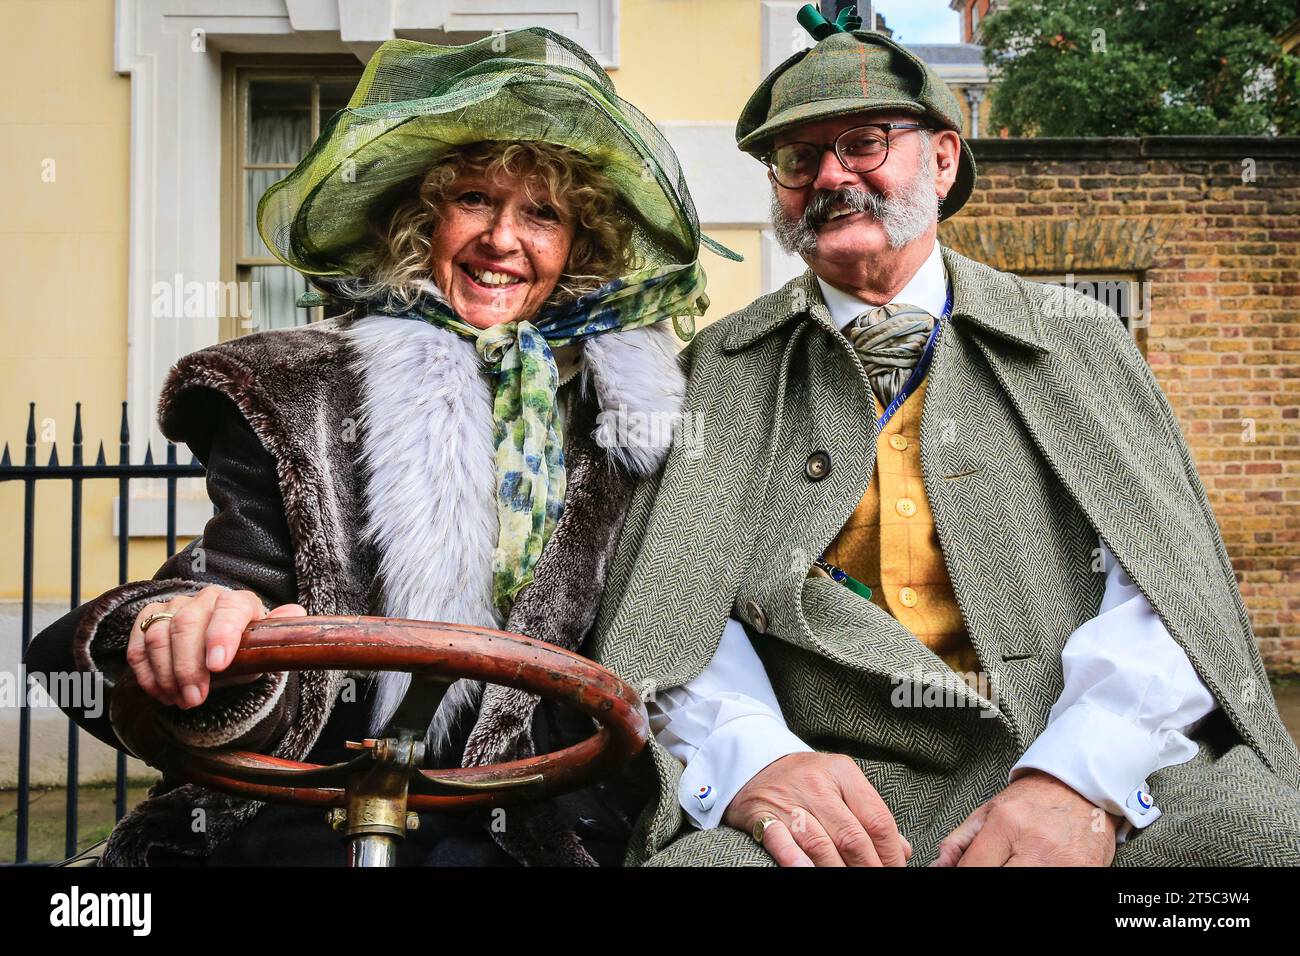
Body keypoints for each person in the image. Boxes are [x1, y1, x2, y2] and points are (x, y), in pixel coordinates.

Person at [588, 9, 1300, 867]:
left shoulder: (1077, 335)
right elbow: (670, 611)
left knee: (1257, 846)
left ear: (944, 156)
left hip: (1091, 751)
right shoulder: (718, 368)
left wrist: (1076, 778)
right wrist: (759, 757)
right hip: (836, 789)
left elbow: (1163, 588)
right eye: (797, 158)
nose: (828, 177)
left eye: (862, 143)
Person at [25, 27, 732, 867]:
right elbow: (228, 588)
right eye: (474, 200)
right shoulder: (297, 391)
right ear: (420, 218)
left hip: (533, 806)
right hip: (314, 791)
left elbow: (676, 643)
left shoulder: (632, 425)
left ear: (576, 249)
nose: (503, 240)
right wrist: (206, 629)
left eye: (541, 214)